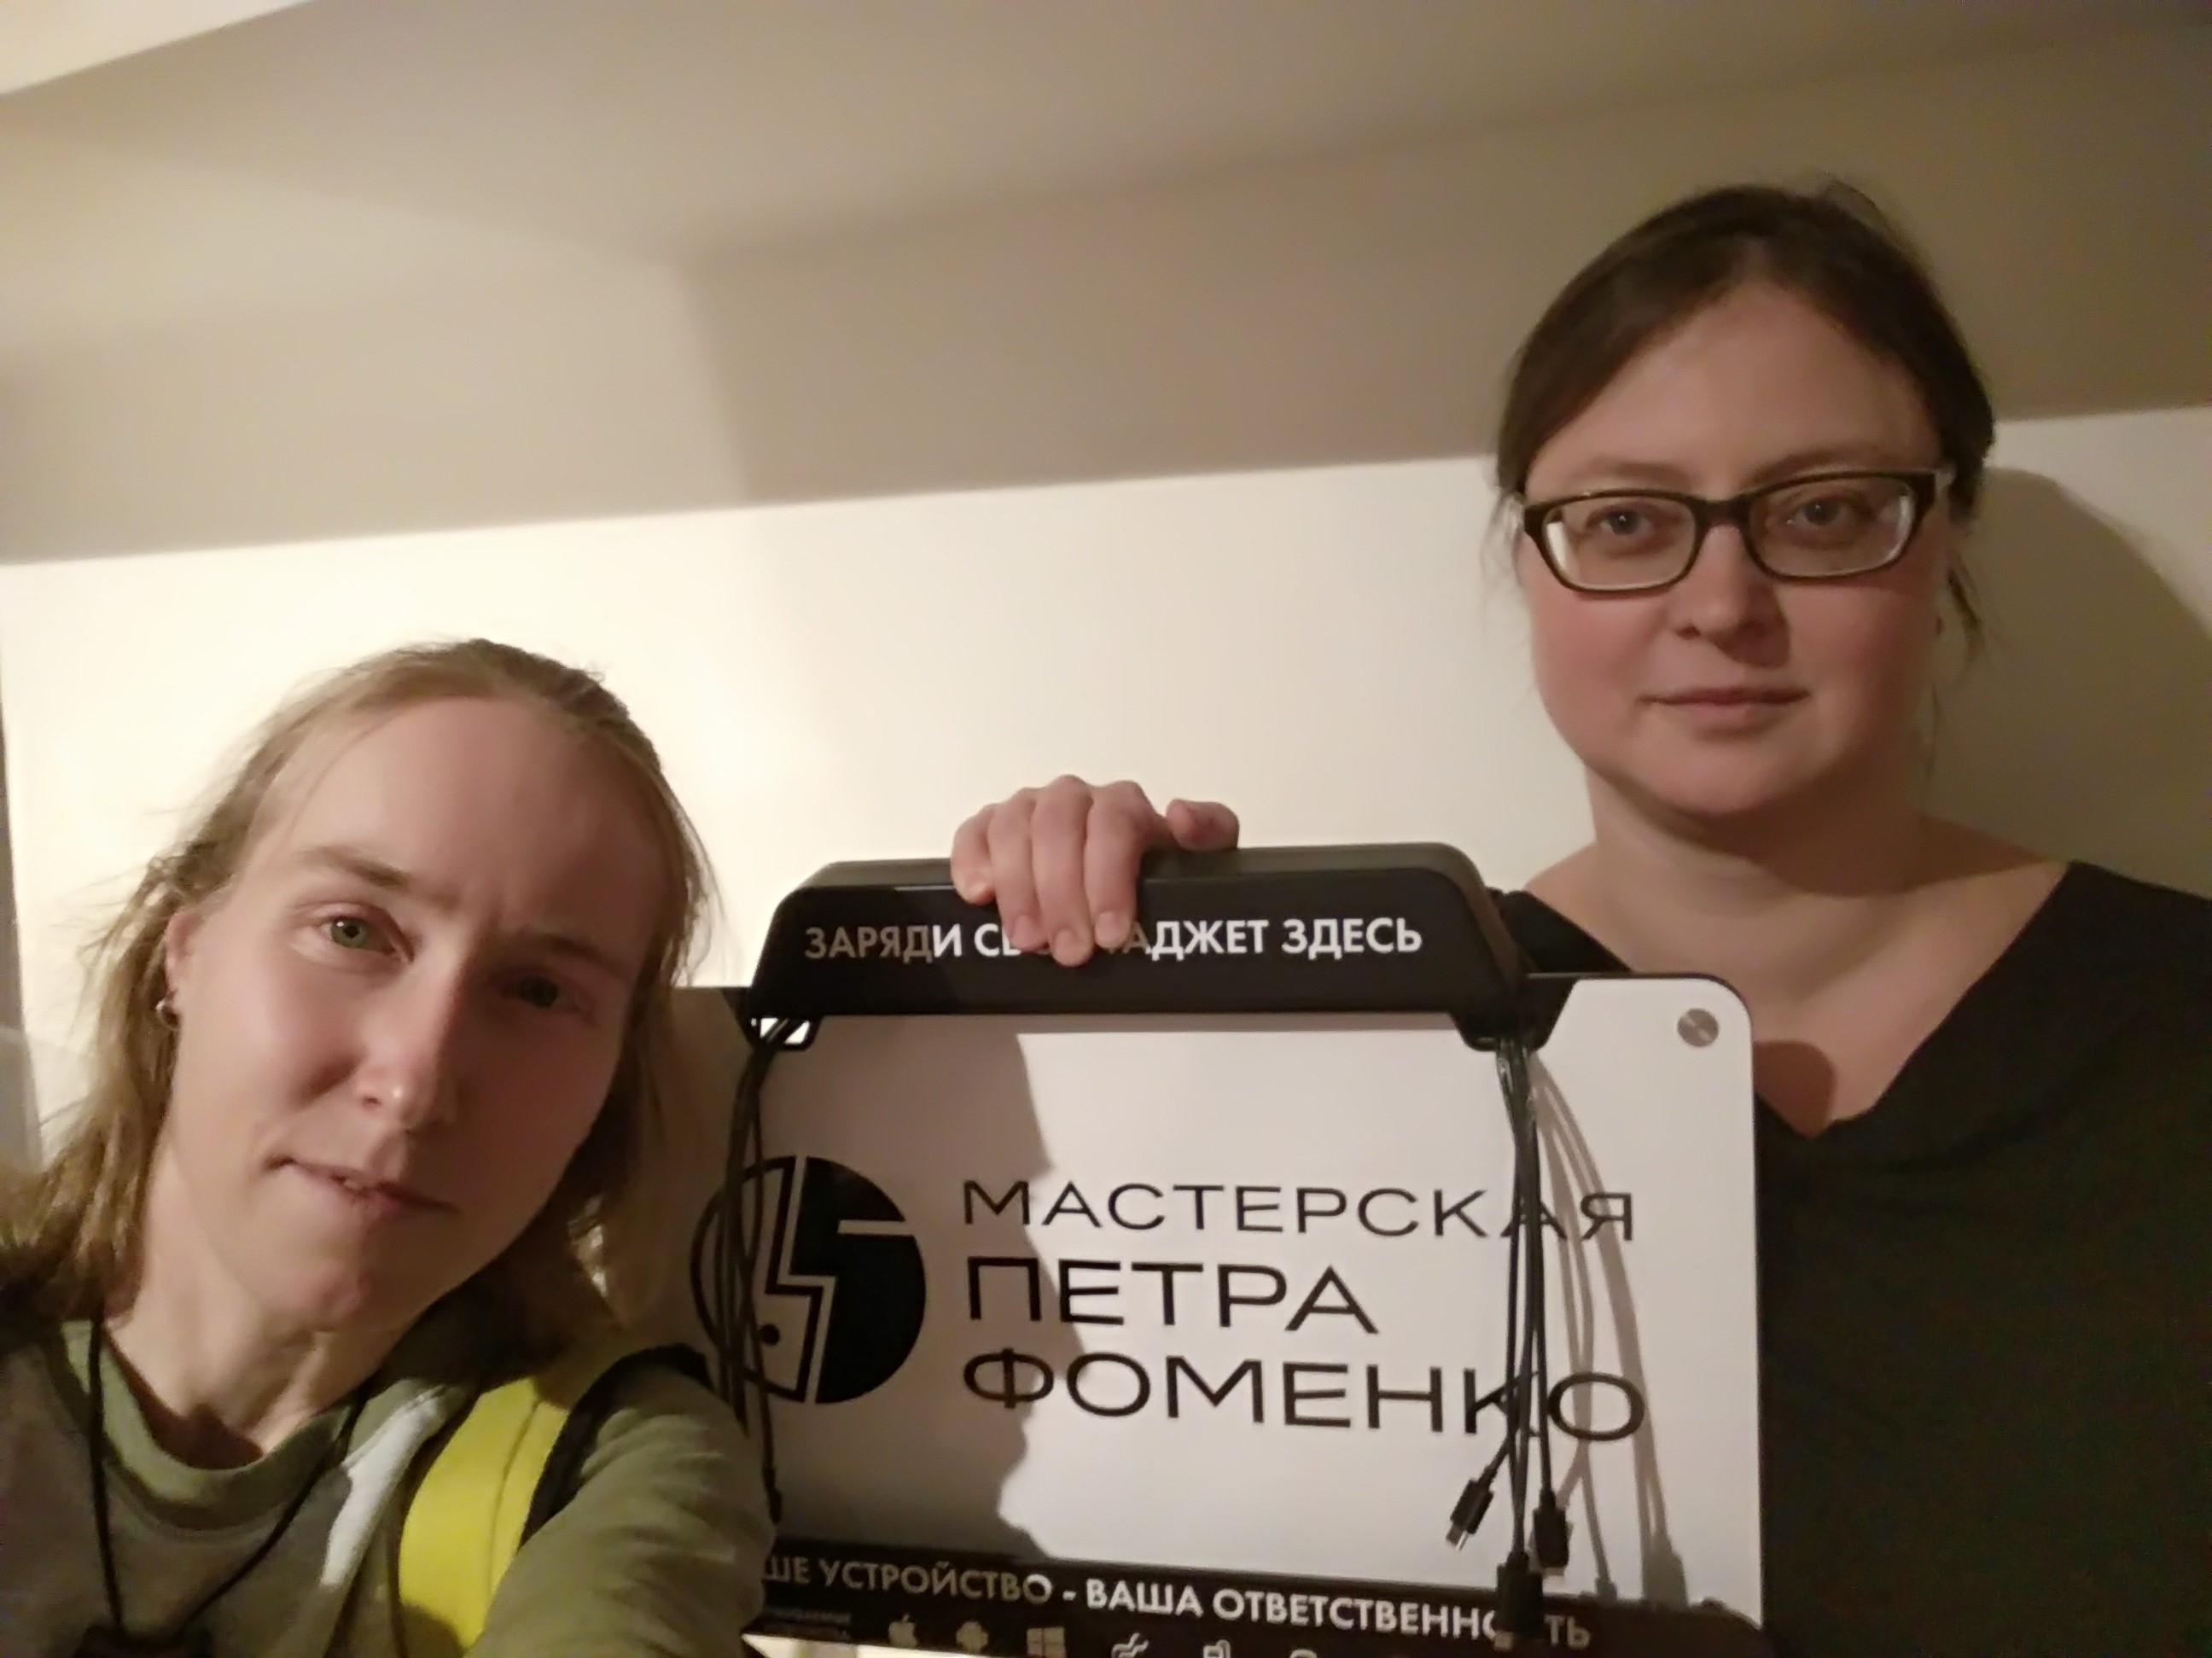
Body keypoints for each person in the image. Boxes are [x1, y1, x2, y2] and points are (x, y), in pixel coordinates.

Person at [948, 184, 2209, 1658]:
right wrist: (1115, 968)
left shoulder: (2175, 1015)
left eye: (1821, 511)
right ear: (1529, 562)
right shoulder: (1370, 1035)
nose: (1722, 601)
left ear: (1945, 536)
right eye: (1624, 520)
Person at [0, 641, 772, 1656]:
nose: (414, 1085)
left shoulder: (604, 1469)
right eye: (353, 931)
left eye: (538, 990)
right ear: (184, 949)